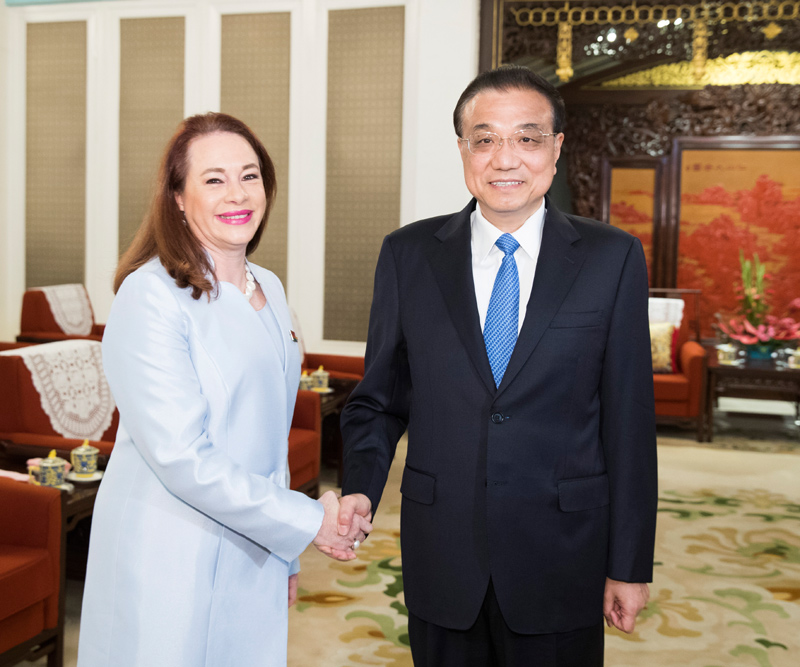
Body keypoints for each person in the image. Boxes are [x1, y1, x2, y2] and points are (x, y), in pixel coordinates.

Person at [336, 66, 658, 666]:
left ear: (556, 148)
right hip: (443, 551)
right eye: (484, 139)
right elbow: (379, 399)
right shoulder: (408, 255)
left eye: (527, 138)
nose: (505, 158)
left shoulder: (612, 257)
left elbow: (629, 425)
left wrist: (630, 563)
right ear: (463, 149)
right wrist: (359, 486)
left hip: (563, 554)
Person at [77, 112, 371, 667]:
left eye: (249, 175)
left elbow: (270, 443)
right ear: (177, 197)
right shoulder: (150, 296)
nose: (237, 194)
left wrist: (284, 554)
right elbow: (182, 457)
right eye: (213, 179)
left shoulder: (270, 288)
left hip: (253, 543)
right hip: (170, 549)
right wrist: (307, 521)